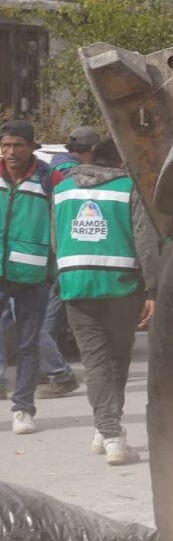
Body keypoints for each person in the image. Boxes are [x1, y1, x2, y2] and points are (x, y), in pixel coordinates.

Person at [51, 136, 156, 466]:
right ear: (123, 162)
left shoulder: (62, 189)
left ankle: (105, 430)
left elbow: (57, 238)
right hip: (120, 286)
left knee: (95, 362)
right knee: (117, 359)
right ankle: (111, 433)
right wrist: (153, 288)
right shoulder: (128, 187)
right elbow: (144, 240)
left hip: (75, 284)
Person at [33, 127, 97, 398]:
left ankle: (56, 373)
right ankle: (61, 375)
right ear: (91, 150)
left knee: (44, 326)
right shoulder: (71, 177)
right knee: (41, 327)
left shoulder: (51, 169)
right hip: (59, 264)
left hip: (50, 264)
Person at [0, 122, 53, 435]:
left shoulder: (48, 178)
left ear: (32, 147)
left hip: (34, 274)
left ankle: (23, 409)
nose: (10, 152)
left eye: (17, 145)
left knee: (28, 345)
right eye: (5, 145)